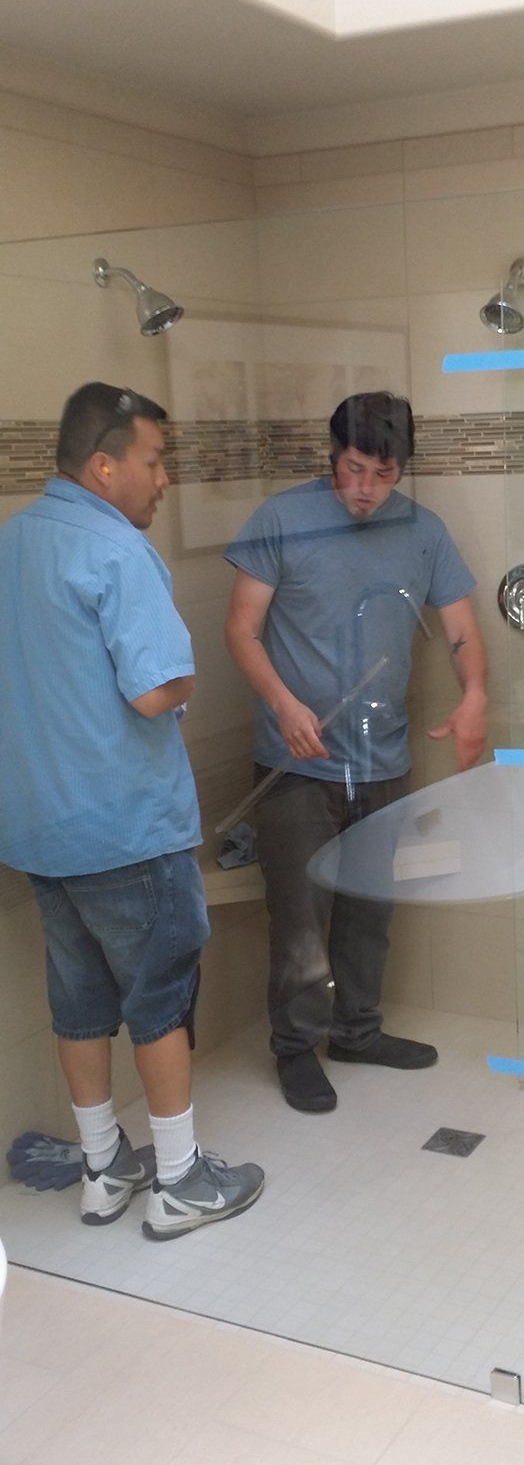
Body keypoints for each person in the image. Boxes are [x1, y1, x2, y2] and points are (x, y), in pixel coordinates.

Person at [0, 382, 264, 1239]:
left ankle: (103, 1167)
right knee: (159, 997)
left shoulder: (13, 544)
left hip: (39, 827)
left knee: (78, 1001)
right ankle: (182, 1180)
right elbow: (155, 691)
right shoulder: (115, 551)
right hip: (124, 827)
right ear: (104, 465)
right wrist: (185, 681)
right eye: (154, 462)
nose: (163, 480)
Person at [225, 390, 487, 1113]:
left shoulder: (424, 532)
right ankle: (294, 1049)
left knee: (371, 907)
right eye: (352, 468)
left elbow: (460, 624)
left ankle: (359, 1032)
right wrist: (283, 704)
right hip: (297, 763)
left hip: (382, 760)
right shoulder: (280, 520)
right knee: (301, 917)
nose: (365, 488)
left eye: (381, 472)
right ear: (331, 457)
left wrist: (475, 694)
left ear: (401, 467)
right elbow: (241, 631)